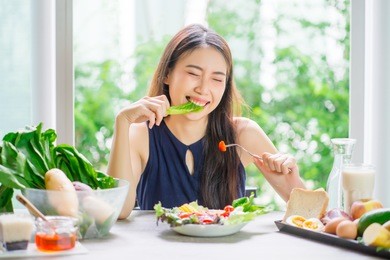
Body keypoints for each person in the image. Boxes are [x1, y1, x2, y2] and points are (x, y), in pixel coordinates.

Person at [107, 24, 305, 219]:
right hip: (161, 251)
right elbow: (118, 211)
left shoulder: (243, 134)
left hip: (226, 251)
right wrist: (122, 122)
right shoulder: (140, 135)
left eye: (217, 79)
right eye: (193, 74)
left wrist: (289, 179)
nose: (203, 89)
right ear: (167, 74)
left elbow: (309, 215)